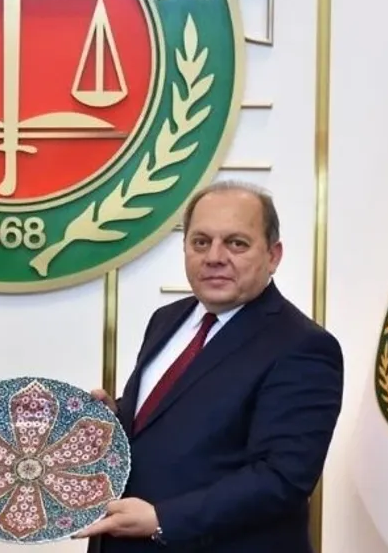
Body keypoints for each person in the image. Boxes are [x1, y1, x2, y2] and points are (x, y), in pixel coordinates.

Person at [75, 180, 344, 552]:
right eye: (201, 242)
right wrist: (117, 419)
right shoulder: (167, 319)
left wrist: (163, 519)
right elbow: (175, 419)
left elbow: (281, 479)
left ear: (273, 255)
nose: (215, 256)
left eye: (236, 243)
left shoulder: (304, 346)